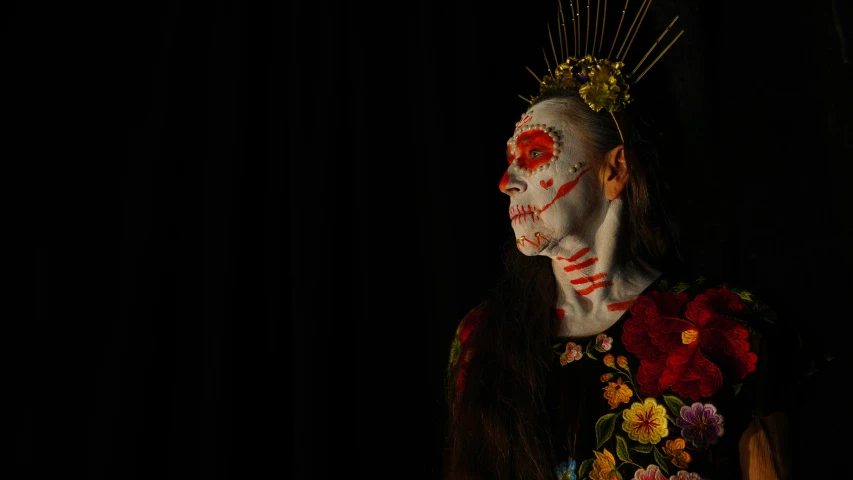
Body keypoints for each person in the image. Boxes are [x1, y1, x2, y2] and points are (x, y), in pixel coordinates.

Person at [443, 3, 802, 479]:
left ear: (614, 171)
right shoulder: (481, 338)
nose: (507, 180)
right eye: (511, 160)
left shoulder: (727, 327)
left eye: (534, 154)